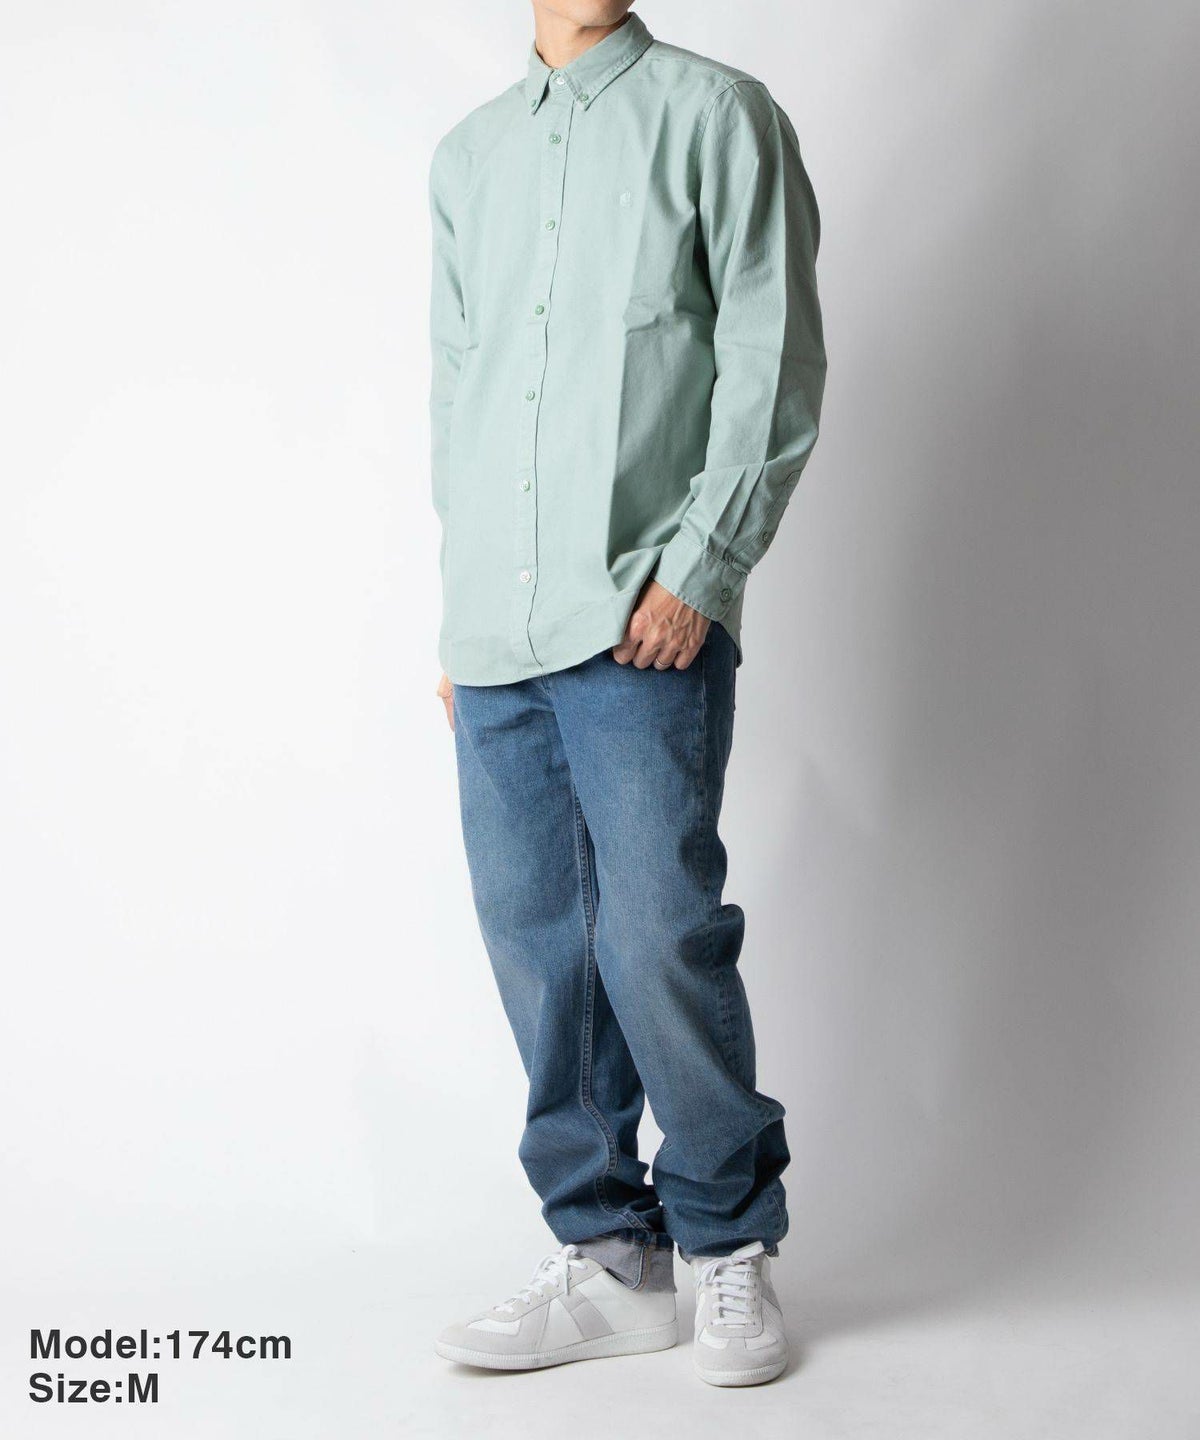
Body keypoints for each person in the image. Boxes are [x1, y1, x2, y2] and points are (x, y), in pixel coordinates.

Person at [428, 1, 825, 1387]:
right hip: (497, 633)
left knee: (659, 935)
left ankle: (727, 1239)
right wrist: (464, 608)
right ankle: (609, 1257)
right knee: (541, 950)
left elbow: (774, 357)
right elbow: (461, 394)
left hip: (642, 618)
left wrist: (703, 569)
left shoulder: (719, 117)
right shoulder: (468, 159)